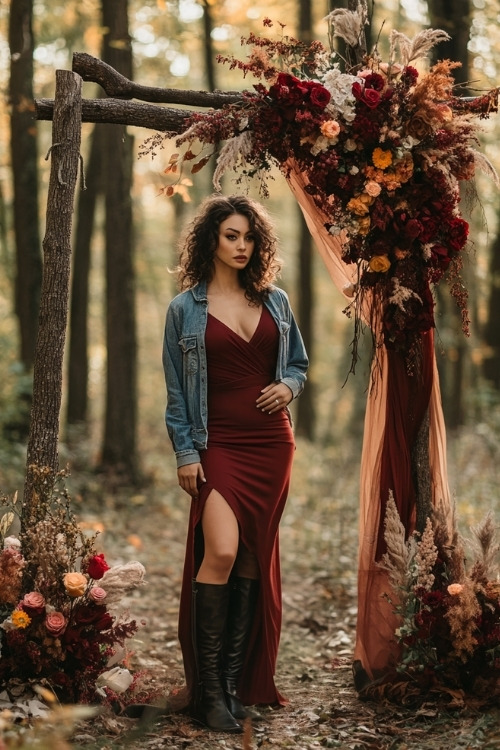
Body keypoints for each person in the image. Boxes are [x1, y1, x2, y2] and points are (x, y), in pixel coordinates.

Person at [162, 194, 308, 733]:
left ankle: (228, 690)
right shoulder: (185, 309)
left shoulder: (275, 301)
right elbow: (177, 391)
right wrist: (185, 452)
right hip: (216, 443)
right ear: (210, 240)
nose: (241, 245)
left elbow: (298, 364)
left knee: (250, 558)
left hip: (272, 444)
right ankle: (207, 692)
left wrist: (288, 388)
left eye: (248, 236)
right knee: (219, 549)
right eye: (231, 235)